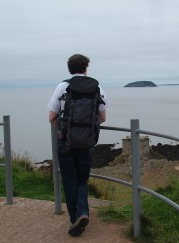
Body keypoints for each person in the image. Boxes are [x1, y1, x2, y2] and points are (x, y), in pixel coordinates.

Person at [47, 54, 108, 236]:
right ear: (86, 68)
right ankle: (83, 212)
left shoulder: (62, 86)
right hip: (87, 142)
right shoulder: (97, 88)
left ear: (69, 69)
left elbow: (51, 117)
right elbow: (103, 118)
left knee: (69, 180)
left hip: (65, 142)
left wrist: (65, 128)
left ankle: (76, 219)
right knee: (82, 179)